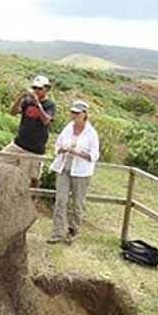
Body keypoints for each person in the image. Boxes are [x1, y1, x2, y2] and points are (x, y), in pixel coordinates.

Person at [47, 100, 99, 244]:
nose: (74, 115)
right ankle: (57, 232)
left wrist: (79, 152)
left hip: (81, 172)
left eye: (77, 113)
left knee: (78, 203)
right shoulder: (68, 128)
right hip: (64, 167)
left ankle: (72, 230)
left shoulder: (91, 133)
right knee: (61, 200)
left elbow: (94, 155)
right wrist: (62, 149)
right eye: (73, 112)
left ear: (85, 114)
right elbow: (57, 145)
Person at [5, 74, 56, 186]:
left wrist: (38, 104)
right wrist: (20, 98)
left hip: (35, 149)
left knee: (32, 179)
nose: (36, 91)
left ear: (46, 89)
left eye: (39, 88)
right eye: (34, 88)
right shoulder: (27, 101)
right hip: (19, 144)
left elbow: (46, 121)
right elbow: (13, 112)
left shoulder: (50, 105)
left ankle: (32, 199)